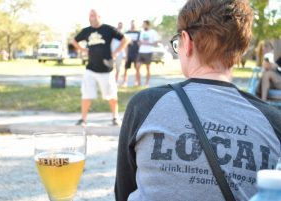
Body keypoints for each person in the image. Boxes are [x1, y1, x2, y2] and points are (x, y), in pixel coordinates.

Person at [115, 0, 281, 201]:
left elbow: (123, 193)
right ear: (242, 48)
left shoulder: (145, 105)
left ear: (187, 41)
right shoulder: (273, 121)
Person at [72, 9, 129, 126]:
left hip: (106, 69)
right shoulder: (86, 31)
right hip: (90, 68)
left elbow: (125, 39)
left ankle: (115, 117)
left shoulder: (108, 29)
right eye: (89, 16)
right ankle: (83, 119)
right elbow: (73, 41)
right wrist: (83, 50)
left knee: (112, 95)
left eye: (93, 15)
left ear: (99, 16)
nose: (91, 18)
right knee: (86, 94)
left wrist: (116, 53)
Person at [135, 20, 159, 87]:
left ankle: (146, 83)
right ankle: (138, 83)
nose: (143, 26)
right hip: (141, 52)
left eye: (144, 24)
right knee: (137, 67)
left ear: (147, 25)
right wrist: (139, 43)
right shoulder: (142, 32)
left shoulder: (153, 32)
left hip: (148, 52)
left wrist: (147, 43)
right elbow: (140, 42)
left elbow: (156, 43)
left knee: (147, 68)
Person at [120, 20, 140, 87]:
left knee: (137, 68)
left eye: (134, 24)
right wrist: (125, 55)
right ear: (130, 24)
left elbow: (140, 43)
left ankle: (136, 82)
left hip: (136, 54)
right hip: (128, 54)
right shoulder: (127, 33)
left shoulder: (139, 33)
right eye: (132, 24)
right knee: (126, 69)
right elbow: (123, 44)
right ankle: (124, 82)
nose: (133, 25)